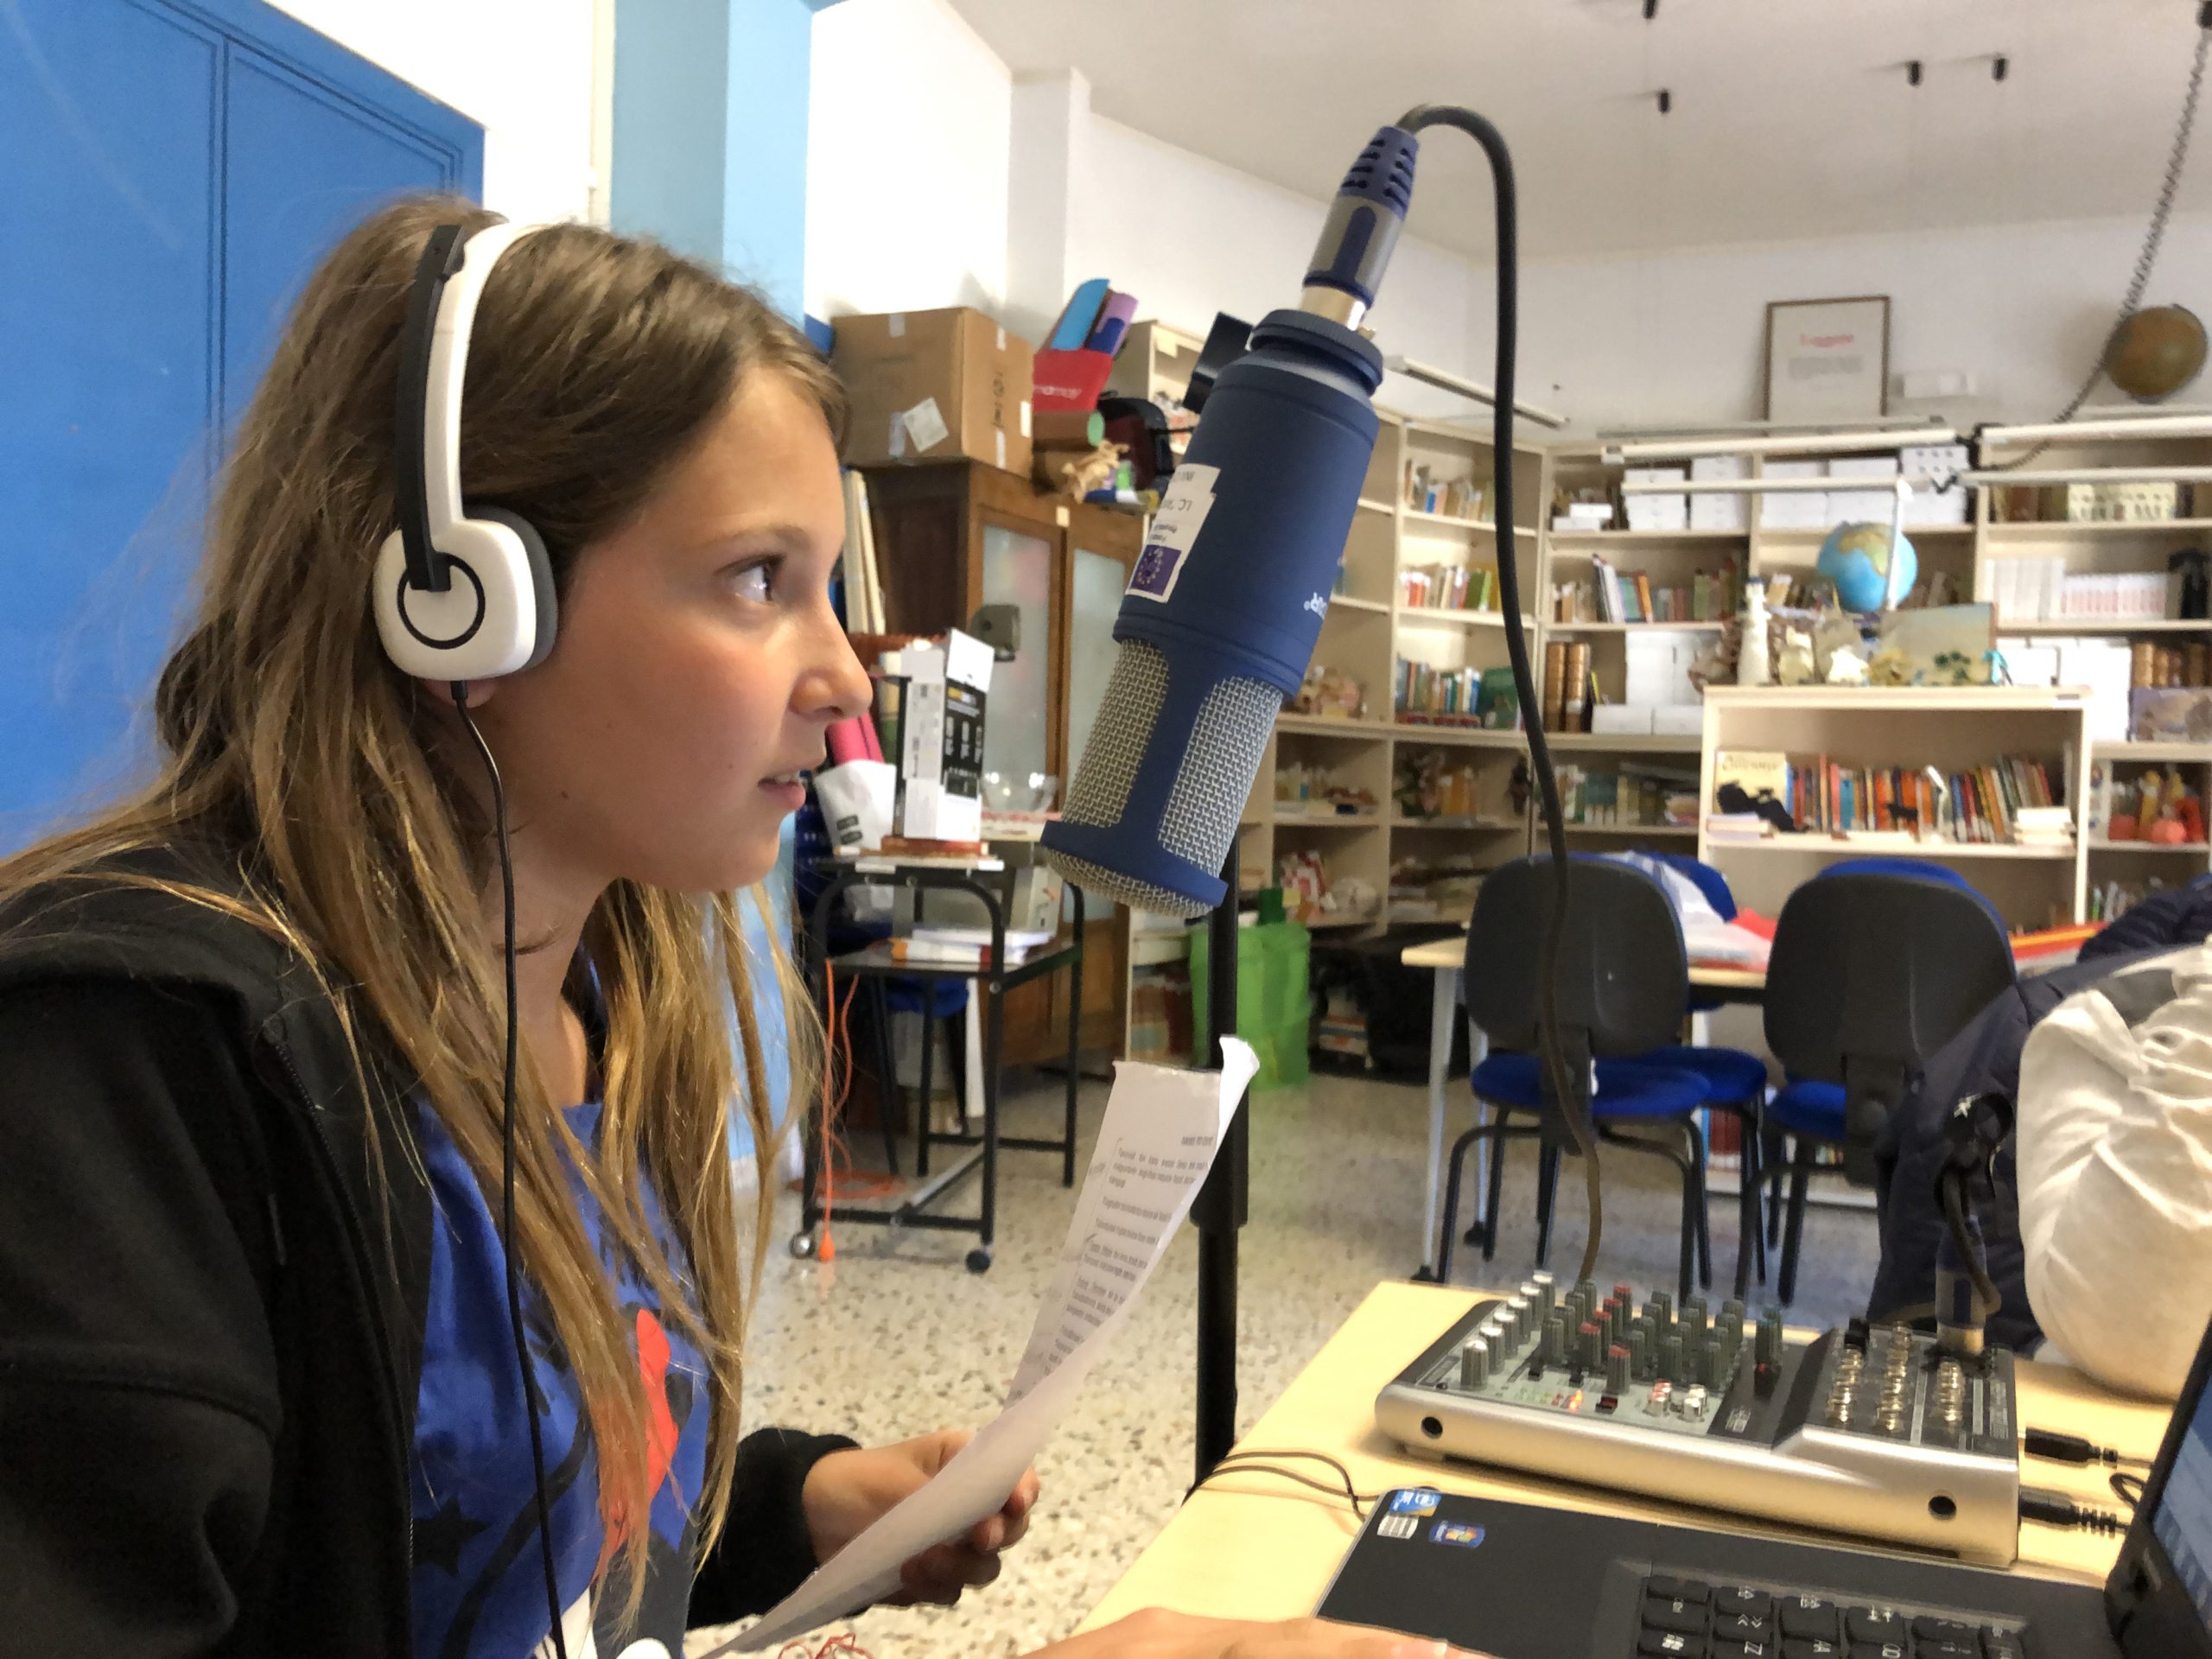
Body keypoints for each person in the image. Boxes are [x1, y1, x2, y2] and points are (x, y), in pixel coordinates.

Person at [0, 198, 1474, 1659]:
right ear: (464, 603)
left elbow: (541, 1551)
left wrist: (791, 1510)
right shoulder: (122, 1069)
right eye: (760, 579)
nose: (847, 677)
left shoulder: (605, 1002)